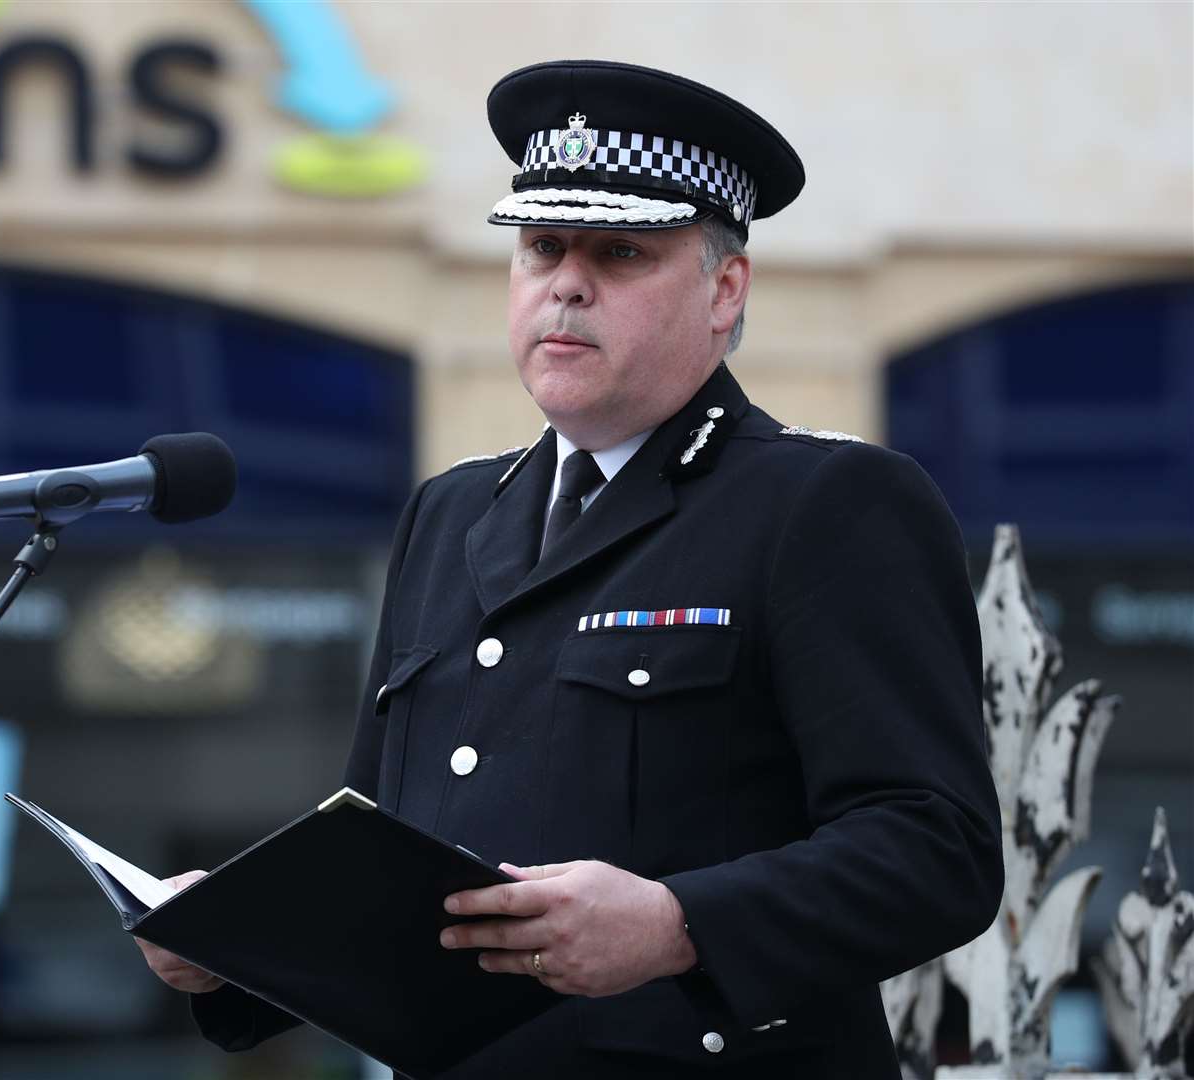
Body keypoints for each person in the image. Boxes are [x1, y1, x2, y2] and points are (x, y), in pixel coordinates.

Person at [138, 59, 1004, 1078]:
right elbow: (382, 860)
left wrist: (679, 923)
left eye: (621, 251)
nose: (567, 282)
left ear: (725, 289)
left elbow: (936, 850)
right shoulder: (455, 509)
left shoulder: (824, 503)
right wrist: (231, 939)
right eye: (542, 246)